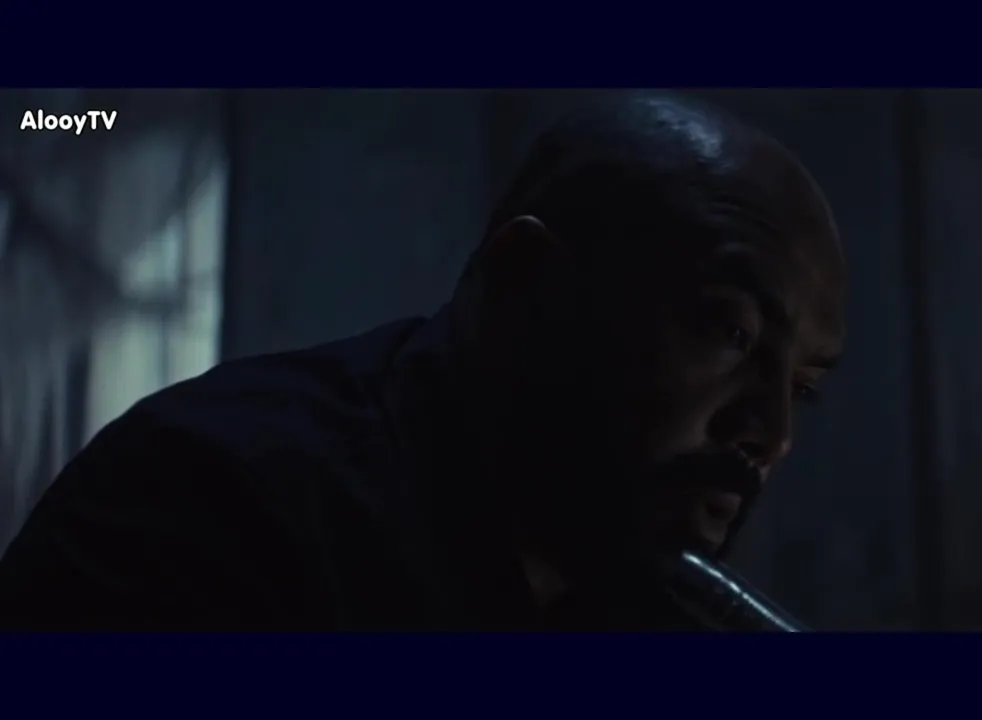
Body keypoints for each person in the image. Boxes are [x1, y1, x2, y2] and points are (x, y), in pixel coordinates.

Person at [0, 93, 846, 630]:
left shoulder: (634, 595)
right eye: (729, 332)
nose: (771, 433)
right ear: (526, 285)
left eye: (802, 387)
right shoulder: (205, 505)